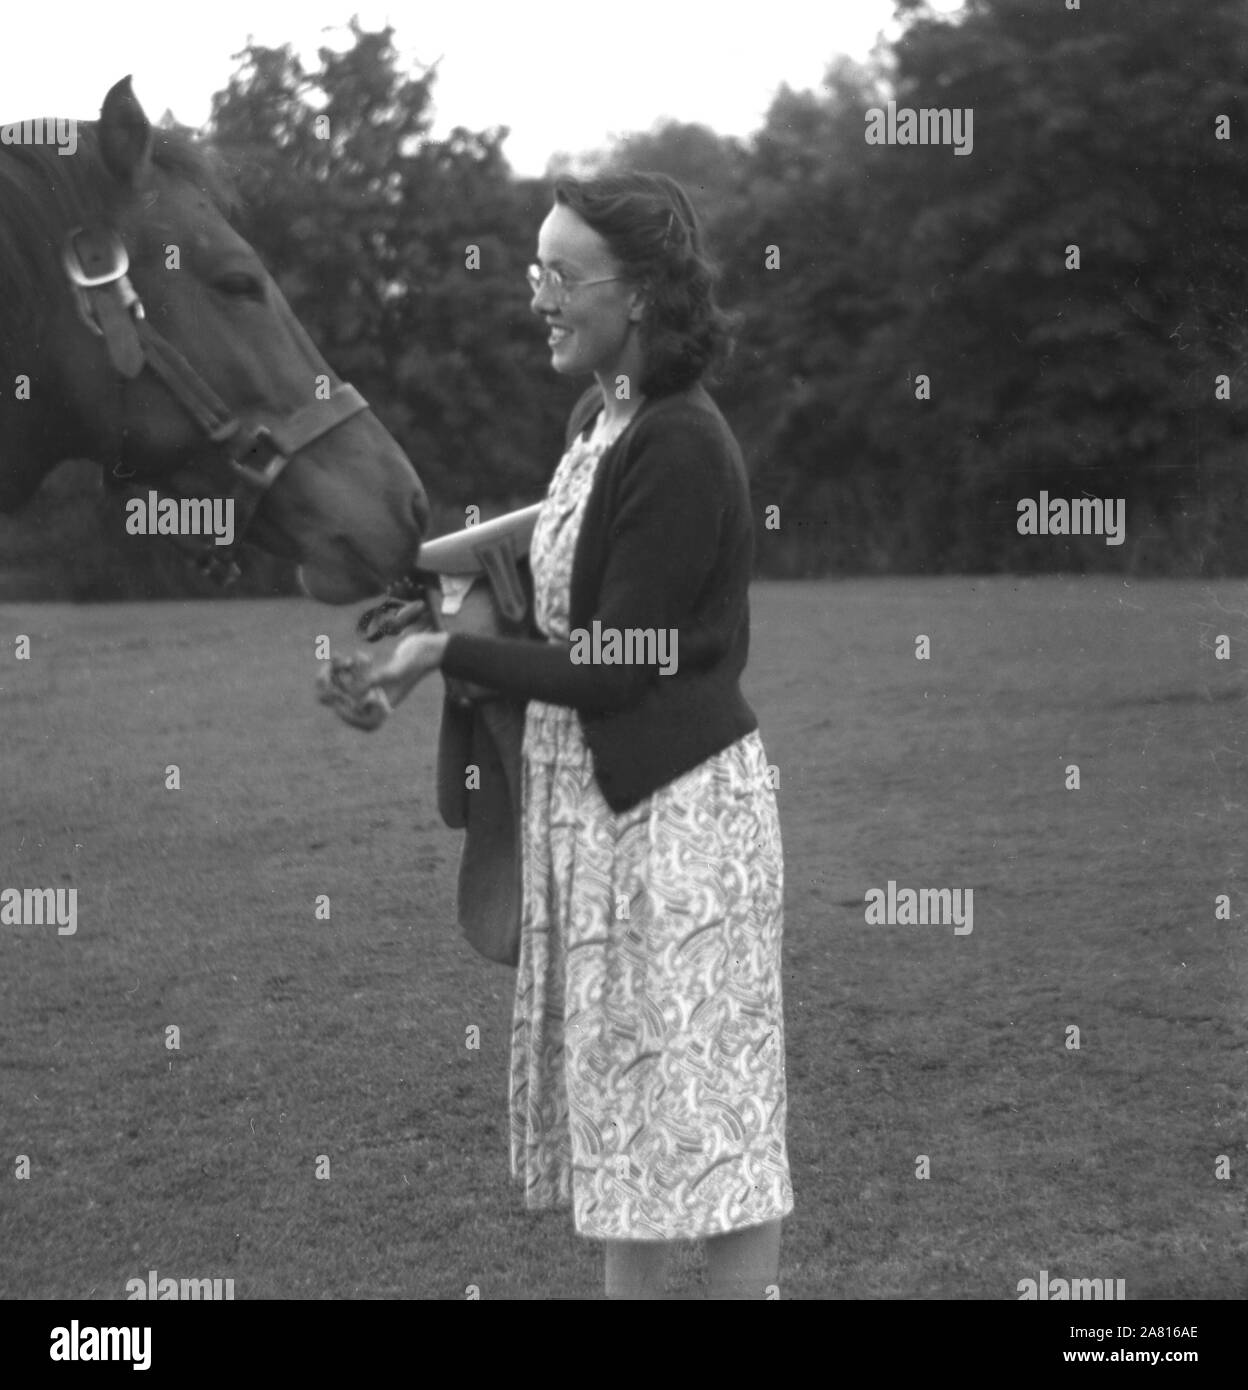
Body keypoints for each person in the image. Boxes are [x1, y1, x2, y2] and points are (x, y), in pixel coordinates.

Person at [362, 172, 793, 1299]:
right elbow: (553, 547)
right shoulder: (603, 419)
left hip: (679, 827)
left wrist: (447, 653)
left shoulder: (682, 444)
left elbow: (614, 665)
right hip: (604, 824)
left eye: (562, 273)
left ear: (641, 294)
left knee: (713, 1119)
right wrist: (435, 578)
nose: (538, 294)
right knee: (627, 1118)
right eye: (532, 269)